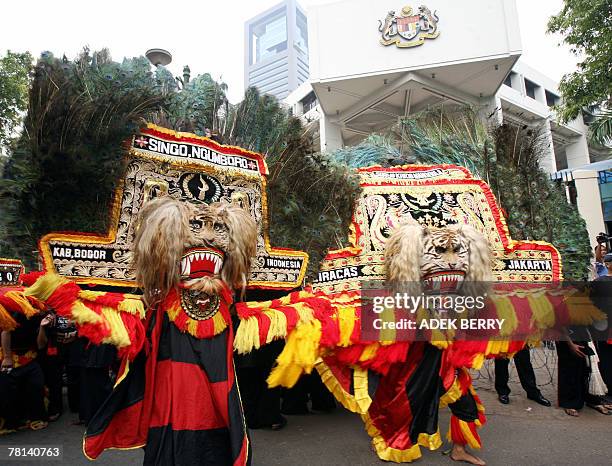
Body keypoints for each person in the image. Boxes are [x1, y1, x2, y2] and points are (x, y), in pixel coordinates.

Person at [0, 311, 47, 432]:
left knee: (36, 385)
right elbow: (6, 331)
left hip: (30, 355)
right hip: (9, 354)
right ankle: (10, 422)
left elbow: (41, 345)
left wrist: (42, 327)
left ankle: (35, 418)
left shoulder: (41, 315)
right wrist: (7, 357)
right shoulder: (16, 311)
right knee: (7, 391)